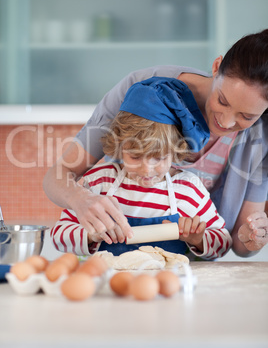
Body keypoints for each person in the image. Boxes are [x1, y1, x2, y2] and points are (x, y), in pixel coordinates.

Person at [44, 29, 268, 258]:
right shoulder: (140, 92)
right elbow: (60, 176)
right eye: (222, 100)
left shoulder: (190, 188)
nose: (226, 122)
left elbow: (237, 244)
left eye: (247, 117)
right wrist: (81, 200)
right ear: (216, 66)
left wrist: (253, 235)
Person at [51, 77, 232, 260]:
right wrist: (91, 235)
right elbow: (59, 236)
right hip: (111, 285)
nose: (147, 170)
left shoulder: (189, 189)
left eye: (159, 157)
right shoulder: (100, 182)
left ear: (175, 150)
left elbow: (223, 241)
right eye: (135, 156)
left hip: (169, 285)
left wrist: (198, 239)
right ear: (120, 146)